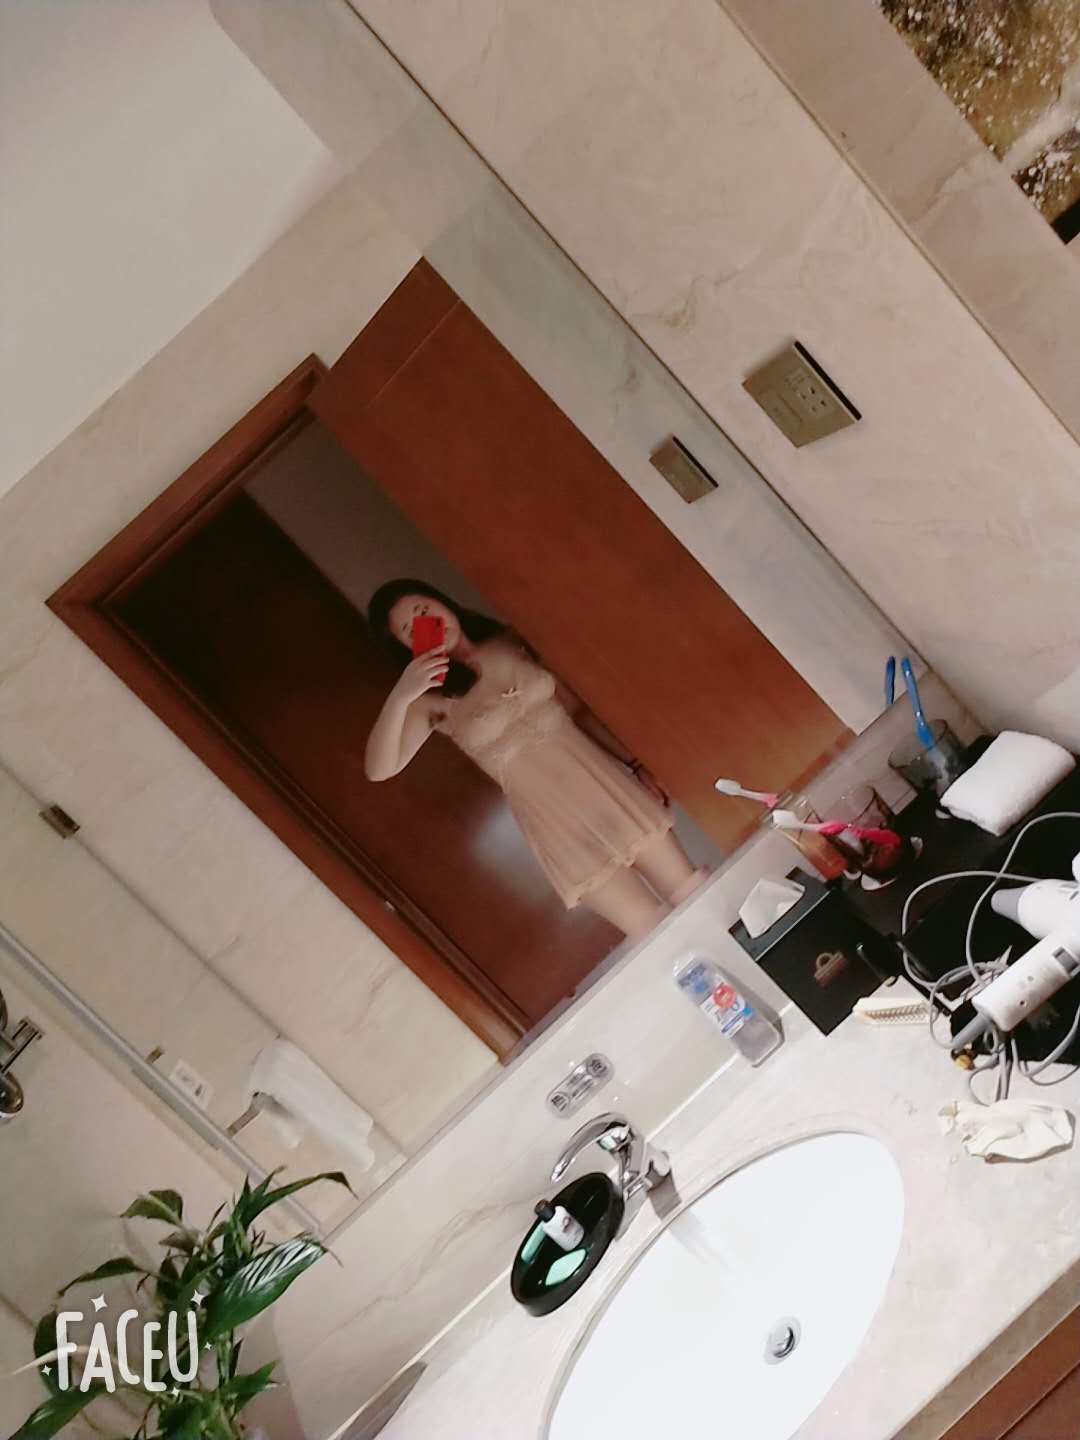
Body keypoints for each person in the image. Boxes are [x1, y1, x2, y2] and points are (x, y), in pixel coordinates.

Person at [364, 579, 709, 940]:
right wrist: (401, 694)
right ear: (405, 647)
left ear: (440, 600)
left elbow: (579, 712)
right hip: (555, 825)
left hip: (605, 786)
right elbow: (379, 769)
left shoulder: (510, 640)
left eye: (423, 610)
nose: (424, 623)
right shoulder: (430, 702)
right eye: (409, 630)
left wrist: (635, 764)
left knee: (693, 891)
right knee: (652, 931)